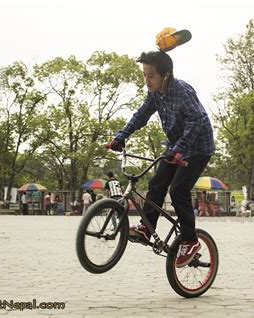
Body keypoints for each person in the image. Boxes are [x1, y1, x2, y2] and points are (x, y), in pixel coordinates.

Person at [109, 48, 215, 268]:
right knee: (156, 183)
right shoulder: (155, 94)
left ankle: (190, 240)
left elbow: (199, 120)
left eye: (151, 76)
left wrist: (181, 148)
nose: (147, 80)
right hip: (176, 147)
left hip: (198, 148)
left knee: (178, 190)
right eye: (144, 75)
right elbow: (141, 115)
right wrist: (121, 136)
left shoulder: (182, 91)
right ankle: (147, 228)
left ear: (165, 76)